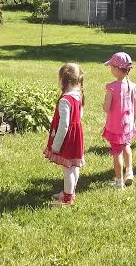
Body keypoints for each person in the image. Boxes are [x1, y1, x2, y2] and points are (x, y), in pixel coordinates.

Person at [44, 63, 85, 206]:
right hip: (76, 137)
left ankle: (67, 199)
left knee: (68, 169)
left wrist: (56, 145)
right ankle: (70, 192)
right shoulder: (78, 95)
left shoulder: (65, 100)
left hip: (67, 139)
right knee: (74, 167)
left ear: (63, 80)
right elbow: (79, 116)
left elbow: (64, 125)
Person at [102, 52, 136, 188]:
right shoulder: (133, 86)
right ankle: (129, 172)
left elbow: (106, 108)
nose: (111, 70)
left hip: (115, 127)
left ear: (117, 69)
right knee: (127, 146)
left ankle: (119, 181)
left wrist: (104, 105)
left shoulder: (112, 87)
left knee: (117, 153)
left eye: (111, 67)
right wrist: (133, 122)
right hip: (128, 125)